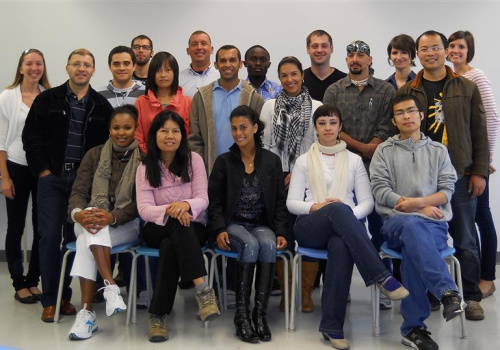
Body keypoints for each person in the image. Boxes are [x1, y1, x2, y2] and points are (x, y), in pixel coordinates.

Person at [287, 104, 408, 350]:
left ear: (340, 127)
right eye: (322, 123)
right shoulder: (303, 161)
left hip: (344, 229)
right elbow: (292, 203)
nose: (328, 127)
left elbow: (367, 202)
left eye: (332, 122)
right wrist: (319, 207)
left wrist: (345, 213)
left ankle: (332, 328)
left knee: (341, 243)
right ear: (316, 128)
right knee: (337, 209)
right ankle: (382, 276)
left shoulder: (354, 161)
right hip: (310, 227)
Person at [399, 30, 489, 321]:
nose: (431, 53)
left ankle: (472, 296)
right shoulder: (408, 91)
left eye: (436, 47)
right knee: (426, 237)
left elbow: (479, 130)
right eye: (424, 49)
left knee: (465, 238)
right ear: (418, 54)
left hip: (460, 174)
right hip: (422, 178)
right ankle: (432, 294)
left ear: (444, 51)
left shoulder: (465, 86)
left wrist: (479, 171)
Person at [22, 48, 113, 323]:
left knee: (74, 240)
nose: (81, 68)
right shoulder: (48, 99)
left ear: (93, 70)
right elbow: (31, 137)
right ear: (67, 68)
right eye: (76, 64)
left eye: (87, 65)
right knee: (49, 237)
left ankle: (64, 295)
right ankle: (50, 300)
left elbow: (108, 147)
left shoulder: (101, 105)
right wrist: (43, 171)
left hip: (82, 185)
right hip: (51, 180)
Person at [370, 94, 463, 350]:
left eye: (411, 111)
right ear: (394, 120)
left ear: (422, 115)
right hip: (395, 224)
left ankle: (413, 329)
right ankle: (447, 292)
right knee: (411, 227)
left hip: (434, 225)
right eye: (400, 113)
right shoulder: (384, 151)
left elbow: (447, 190)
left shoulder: (438, 151)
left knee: (415, 245)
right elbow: (379, 190)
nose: (406, 116)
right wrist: (415, 205)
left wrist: (415, 205)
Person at [323, 40, 396, 310]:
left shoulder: (386, 89)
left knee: (380, 229)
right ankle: (343, 287)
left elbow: (388, 126)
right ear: (346, 60)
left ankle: (385, 285)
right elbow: (331, 127)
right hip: (342, 166)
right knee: (346, 230)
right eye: (351, 54)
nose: (356, 59)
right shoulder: (334, 90)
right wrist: (362, 148)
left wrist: (371, 148)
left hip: (378, 170)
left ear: (370, 59)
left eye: (361, 55)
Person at [136, 110, 220, 342]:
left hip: (193, 226)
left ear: (182, 135)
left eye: (175, 131)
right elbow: (144, 209)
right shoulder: (145, 167)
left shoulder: (194, 161)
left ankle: (158, 316)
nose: (169, 136)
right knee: (175, 224)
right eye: (164, 131)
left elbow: (203, 199)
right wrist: (172, 210)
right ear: (154, 135)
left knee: (171, 245)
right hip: (156, 227)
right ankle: (202, 289)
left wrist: (184, 205)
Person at [208, 105, 288, 343]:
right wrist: (220, 228)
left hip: (261, 223)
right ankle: (241, 316)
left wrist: (281, 231)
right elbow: (215, 202)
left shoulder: (271, 161)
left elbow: (280, 202)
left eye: (243, 127)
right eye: (234, 128)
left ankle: (259, 314)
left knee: (268, 243)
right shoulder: (224, 162)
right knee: (251, 244)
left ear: (255, 128)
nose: (238, 133)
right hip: (234, 224)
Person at [66, 105, 141, 340]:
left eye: (127, 127)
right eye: (116, 127)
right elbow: (78, 191)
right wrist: (77, 213)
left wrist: (112, 216)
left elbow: (141, 204)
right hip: (88, 219)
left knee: (85, 241)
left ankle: (87, 313)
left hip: (125, 224)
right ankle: (110, 287)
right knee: (90, 227)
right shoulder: (95, 154)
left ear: (136, 129)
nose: (121, 132)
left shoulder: (145, 159)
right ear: (109, 129)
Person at [261, 55, 320, 313]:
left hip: (308, 177)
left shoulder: (317, 106)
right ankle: (286, 292)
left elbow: (318, 147)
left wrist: (297, 172)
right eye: (284, 75)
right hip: (276, 176)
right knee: (281, 233)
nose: (290, 79)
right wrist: (278, 174)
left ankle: (306, 293)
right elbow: (265, 145)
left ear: (302, 75)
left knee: (307, 234)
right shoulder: (270, 105)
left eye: (294, 74)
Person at [448, 30, 499, 299]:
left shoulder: (475, 76)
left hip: (475, 164)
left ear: (470, 51)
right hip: (459, 163)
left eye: (461, 47)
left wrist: (485, 159)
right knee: (468, 220)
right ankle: (472, 275)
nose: (455, 50)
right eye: (452, 45)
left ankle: (487, 277)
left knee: (482, 217)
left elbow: (490, 117)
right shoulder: (450, 78)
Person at [0, 49, 50, 304]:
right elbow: (0, 141)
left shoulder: (48, 96)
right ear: (20, 68)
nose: (34, 68)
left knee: (42, 227)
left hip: (41, 169)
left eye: (38, 63)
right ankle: (19, 282)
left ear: (44, 67)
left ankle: (34, 280)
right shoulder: (8, 97)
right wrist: (4, 177)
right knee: (16, 227)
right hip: (16, 167)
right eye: (28, 63)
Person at [188, 45, 264, 174]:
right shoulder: (201, 97)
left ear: (240, 64)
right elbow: (195, 139)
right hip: (210, 171)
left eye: (232, 60)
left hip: (245, 172)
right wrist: (200, 170)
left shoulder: (254, 98)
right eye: (223, 61)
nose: (227, 64)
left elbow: (260, 138)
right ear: (216, 65)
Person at [135, 51, 192, 153]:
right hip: (149, 161)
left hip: (181, 160)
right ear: (152, 73)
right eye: (158, 70)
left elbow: (190, 136)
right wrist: (149, 157)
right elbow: (138, 137)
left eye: (168, 70)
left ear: (175, 73)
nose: (163, 75)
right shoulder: (141, 102)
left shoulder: (187, 102)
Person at [303, 30, 347, 101]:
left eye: (324, 46)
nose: (319, 50)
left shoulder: (345, 81)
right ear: (308, 49)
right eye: (315, 46)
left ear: (331, 49)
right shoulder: (299, 80)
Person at [179, 30, 219, 98]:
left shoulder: (220, 77)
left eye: (203, 43)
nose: (199, 47)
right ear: (188, 51)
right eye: (194, 44)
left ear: (211, 49)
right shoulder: (178, 79)